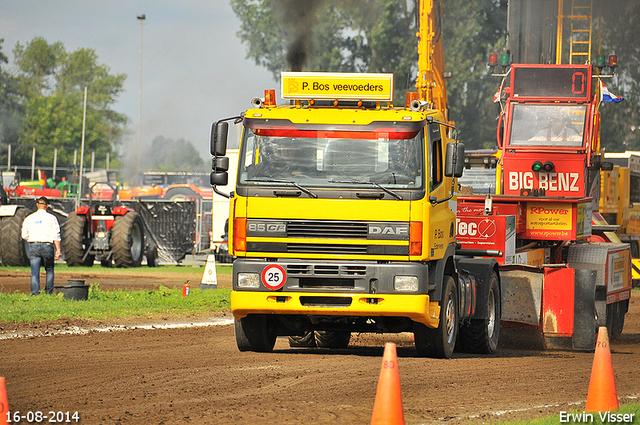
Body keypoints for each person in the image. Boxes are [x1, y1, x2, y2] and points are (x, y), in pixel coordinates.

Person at [21, 196, 62, 296]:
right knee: (49, 269)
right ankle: (48, 292)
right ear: (47, 206)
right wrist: (58, 250)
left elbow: (24, 235)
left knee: (35, 272)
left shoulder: (29, 218)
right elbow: (56, 235)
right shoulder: (52, 218)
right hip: (47, 245)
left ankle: (35, 293)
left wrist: (32, 238)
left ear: (37, 205)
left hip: (33, 245)